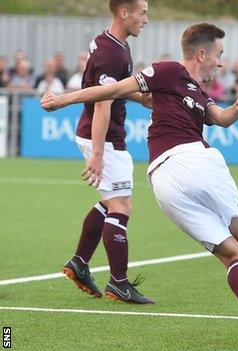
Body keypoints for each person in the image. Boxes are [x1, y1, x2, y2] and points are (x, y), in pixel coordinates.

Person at [42, 22, 238, 348]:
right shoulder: (168, 70)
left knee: (233, 255)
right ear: (201, 53)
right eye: (218, 55)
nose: (220, 63)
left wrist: (236, 109)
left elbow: (219, 118)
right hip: (195, 160)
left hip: (164, 182)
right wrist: (63, 100)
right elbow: (112, 90)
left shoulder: (195, 91)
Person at [58, 0, 152, 304]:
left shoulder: (110, 41)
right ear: (123, 13)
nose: (146, 19)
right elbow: (102, 103)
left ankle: (80, 263)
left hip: (103, 135)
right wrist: (98, 152)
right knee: (121, 206)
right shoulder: (113, 52)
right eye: (142, 13)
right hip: (103, 137)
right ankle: (119, 283)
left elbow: (112, 90)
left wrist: (139, 98)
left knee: (110, 202)